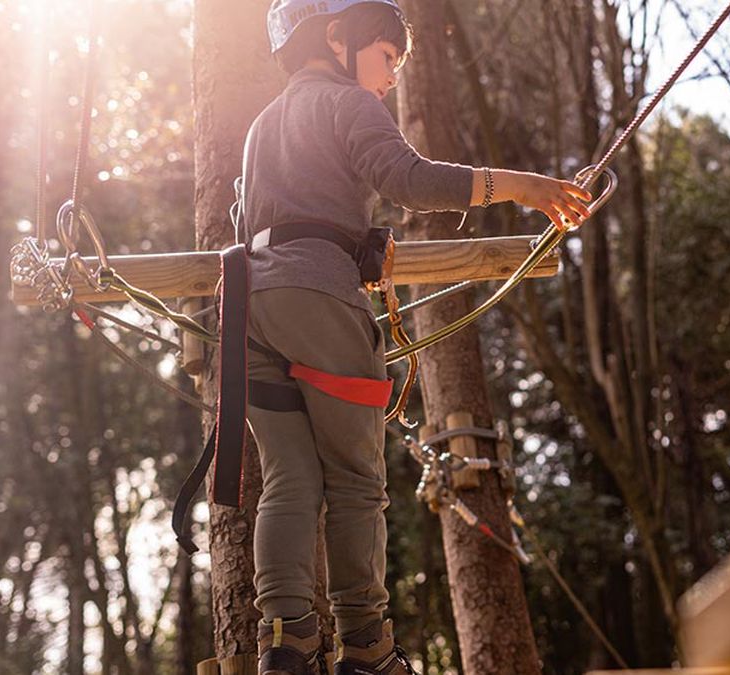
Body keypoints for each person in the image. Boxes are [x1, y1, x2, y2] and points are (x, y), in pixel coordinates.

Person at [241, 1, 592, 674]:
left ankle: (285, 641)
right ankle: (367, 647)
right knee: (355, 480)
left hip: (253, 305)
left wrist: (350, 239)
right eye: (387, 57)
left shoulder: (263, 126)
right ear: (338, 38)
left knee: (288, 478)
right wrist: (523, 186)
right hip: (317, 297)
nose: (393, 77)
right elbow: (410, 180)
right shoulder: (347, 103)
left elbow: (259, 212)